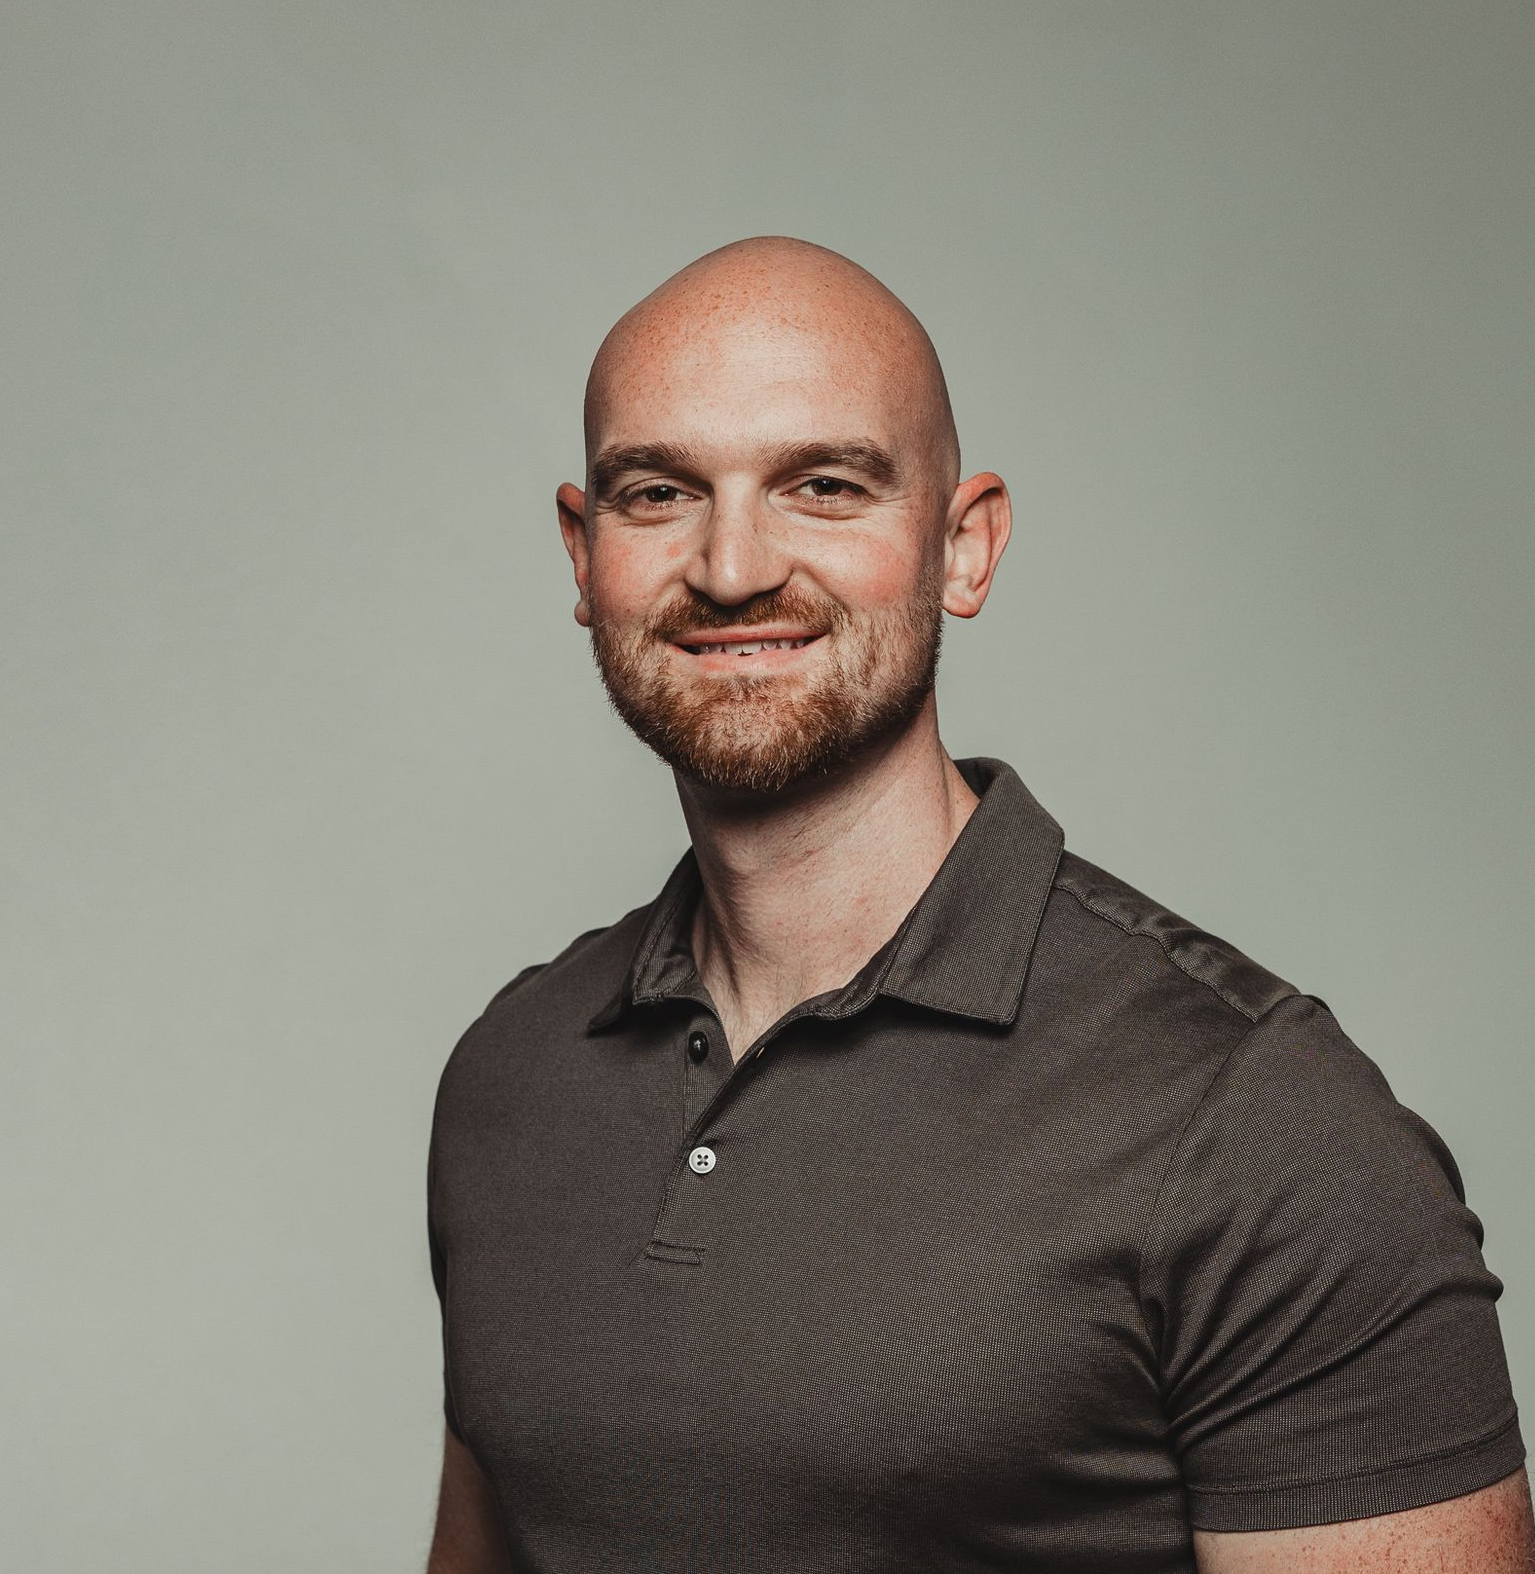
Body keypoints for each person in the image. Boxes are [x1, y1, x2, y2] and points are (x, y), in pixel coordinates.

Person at [423, 237, 1530, 1573]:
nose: (730, 565)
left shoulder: (1258, 1121)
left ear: (964, 545)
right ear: (582, 552)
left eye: (823, 487)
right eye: (658, 493)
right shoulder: (511, 1074)